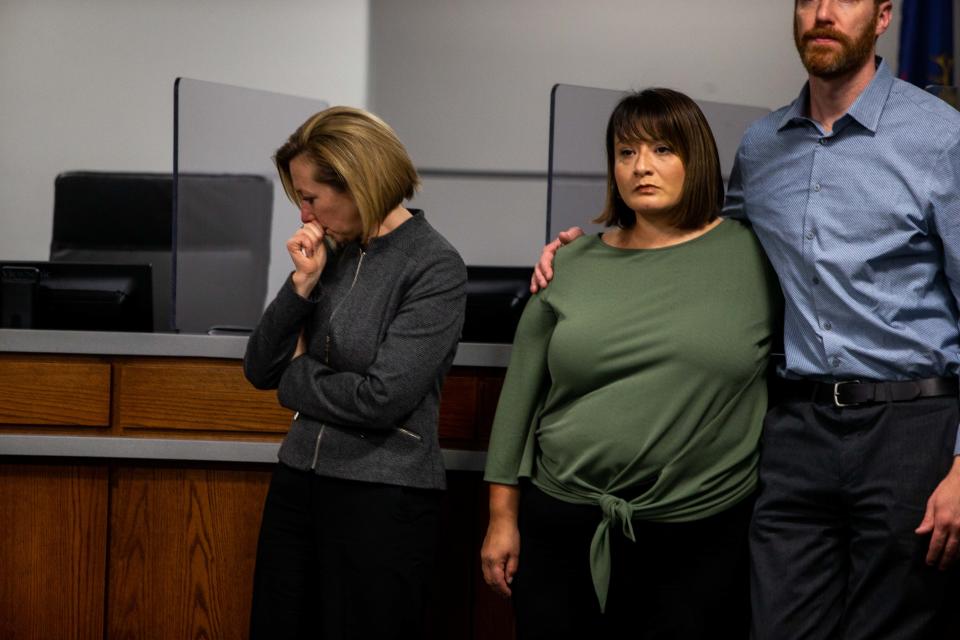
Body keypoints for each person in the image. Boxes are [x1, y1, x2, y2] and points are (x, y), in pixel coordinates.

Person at [534, 2, 960, 637]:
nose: (822, 13)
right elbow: (701, 247)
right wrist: (586, 253)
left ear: (883, 16)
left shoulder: (940, 136)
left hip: (913, 428)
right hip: (796, 427)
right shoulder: (762, 147)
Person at [481, 88, 781, 639]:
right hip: (562, 525)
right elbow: (519, 399)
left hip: (702, 533)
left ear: (698, 159)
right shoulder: (569, 263)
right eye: (625, 152)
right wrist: (502, 519)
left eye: (663, 149)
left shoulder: (756, 256)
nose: (641, 166)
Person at [243, 106, 467, 639]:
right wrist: (300, 286)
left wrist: (298, 377)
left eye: (311, 197)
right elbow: (259, 367)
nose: (304, 215)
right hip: (299, 481)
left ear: (358, 183)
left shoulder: (434, 265)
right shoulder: (331, 255)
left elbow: (380, 399)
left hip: (382, 494)